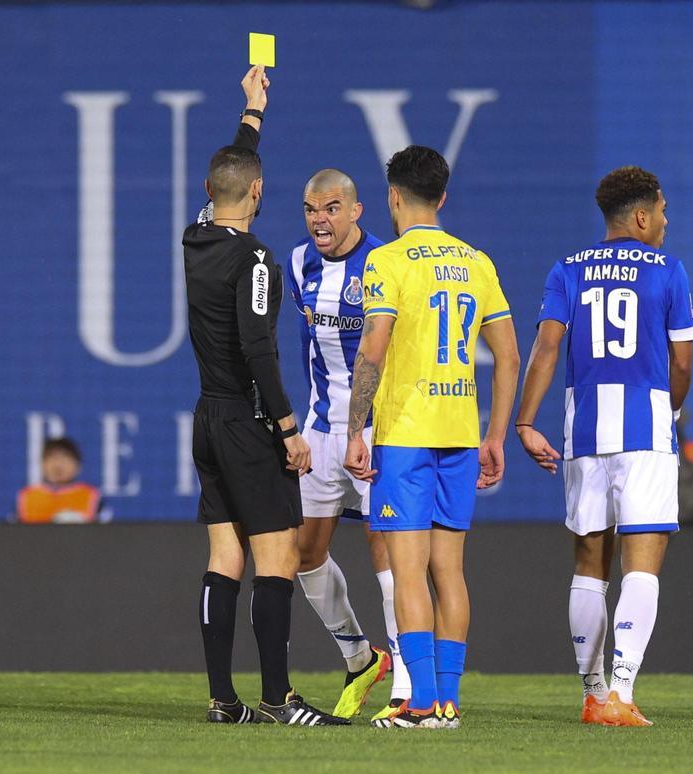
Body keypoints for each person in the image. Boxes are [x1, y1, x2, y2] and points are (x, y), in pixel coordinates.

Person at [183, 66, 347, 727]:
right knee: (276, 555)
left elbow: (230, 171)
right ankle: (279, 698)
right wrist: (288, 428)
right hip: (249, 422)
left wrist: (251, 113)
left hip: (207, 416)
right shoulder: (253, 259)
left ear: (209, 192)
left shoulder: (196, 236)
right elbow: (259, 349)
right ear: (257, 192)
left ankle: (224, 700)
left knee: (226, 554)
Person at [345, 145, 519, 729]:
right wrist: (495, 435)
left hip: (407, 435)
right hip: (461, 433)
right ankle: (446, 701)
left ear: (393, 196)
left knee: (408, 571)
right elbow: (510, 356)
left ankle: (418, 702)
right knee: (451, 571)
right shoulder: (477, 261)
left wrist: (354, 430)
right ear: (442, 197)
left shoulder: (387, 262)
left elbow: (373, 348)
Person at [515, 166, 693, 727]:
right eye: (662, 210)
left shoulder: (567, 268)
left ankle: (593, 695)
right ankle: (621, 690)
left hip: (585, 432)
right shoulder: (668, 269)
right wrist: (670, 411)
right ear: (641, 216)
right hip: (644, 433)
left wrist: (524, 421)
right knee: (642, 563)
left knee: (590, 564)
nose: (666, 221)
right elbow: (683, 361)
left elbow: (546, 348)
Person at [286, 169, 408, 721]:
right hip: (319, 430)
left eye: (332, 208)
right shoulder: (296, 265)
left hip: (378, 433)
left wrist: (370, 427)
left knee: (388, 556)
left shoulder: (385, 264)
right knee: (304, 554)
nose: (320, 220)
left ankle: (406, 686)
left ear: (357, 211)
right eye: (312, 210)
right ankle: (361, 658)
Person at [16, 437, 103, 523]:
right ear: (42, 464)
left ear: (77, 466)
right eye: (52, 457)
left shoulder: (91, 496)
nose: (58, 464)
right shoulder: (28, 496)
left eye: (64, 458)